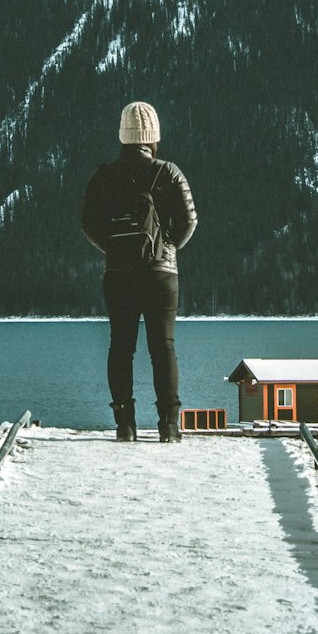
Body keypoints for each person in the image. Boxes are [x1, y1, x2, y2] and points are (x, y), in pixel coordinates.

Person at [81, 101, 197, 443]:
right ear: (153, 136)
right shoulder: (169, 172)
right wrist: (169, 247)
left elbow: (88, 224)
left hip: (119, 273)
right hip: (161, 272)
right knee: (163, 347)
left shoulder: (103, 175)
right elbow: (190, 220)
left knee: (121, 347)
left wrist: (113, 249)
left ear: (123, 135)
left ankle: (125, 425)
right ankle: (169, 426)